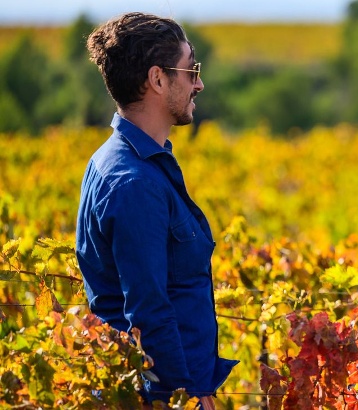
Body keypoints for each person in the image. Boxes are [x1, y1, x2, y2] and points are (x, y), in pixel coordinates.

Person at [76, 12, 236, 408]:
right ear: (158, 79)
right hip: (161, 397)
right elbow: (148, 310)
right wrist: (186, 396)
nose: (198, 83)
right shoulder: (135, 183)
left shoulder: (129, 163)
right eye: (190, 69)